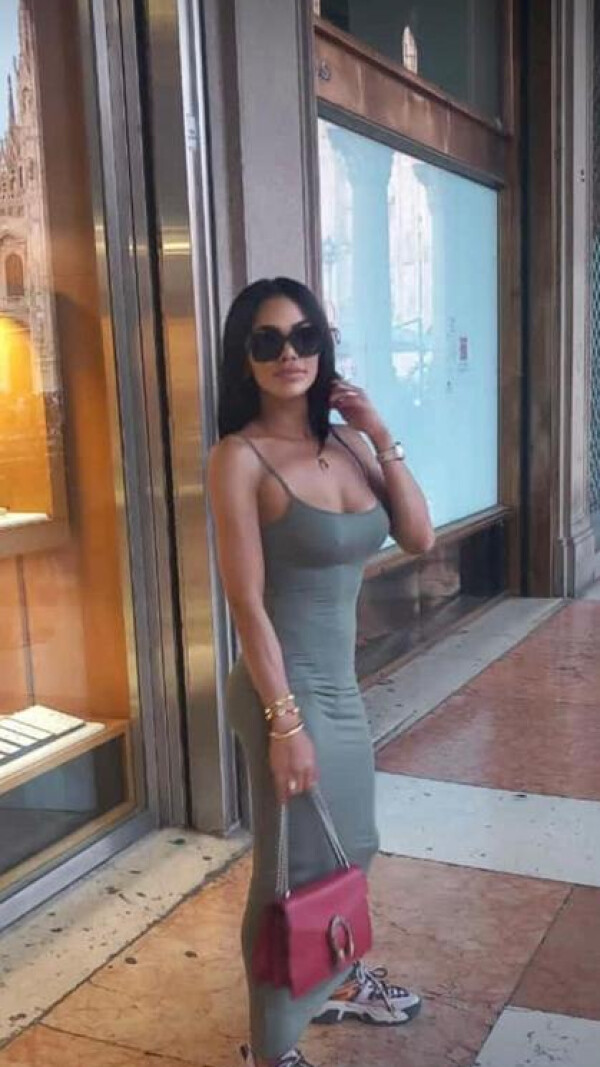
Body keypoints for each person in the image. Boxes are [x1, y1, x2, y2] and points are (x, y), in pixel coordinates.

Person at [208, 278, 435, 1067]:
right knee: (289, 871)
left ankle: (335, 973)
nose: (290, 354)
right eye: (267, 341)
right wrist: (285, 723)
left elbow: (419, 536)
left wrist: (378, 431)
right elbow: (246, 604)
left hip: (340, 688)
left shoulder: (344, 444)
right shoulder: (238, 458)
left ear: (323, 344)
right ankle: (272, 1050)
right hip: (284, 693)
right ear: (244, 357)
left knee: (353, 845)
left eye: (304, 336)